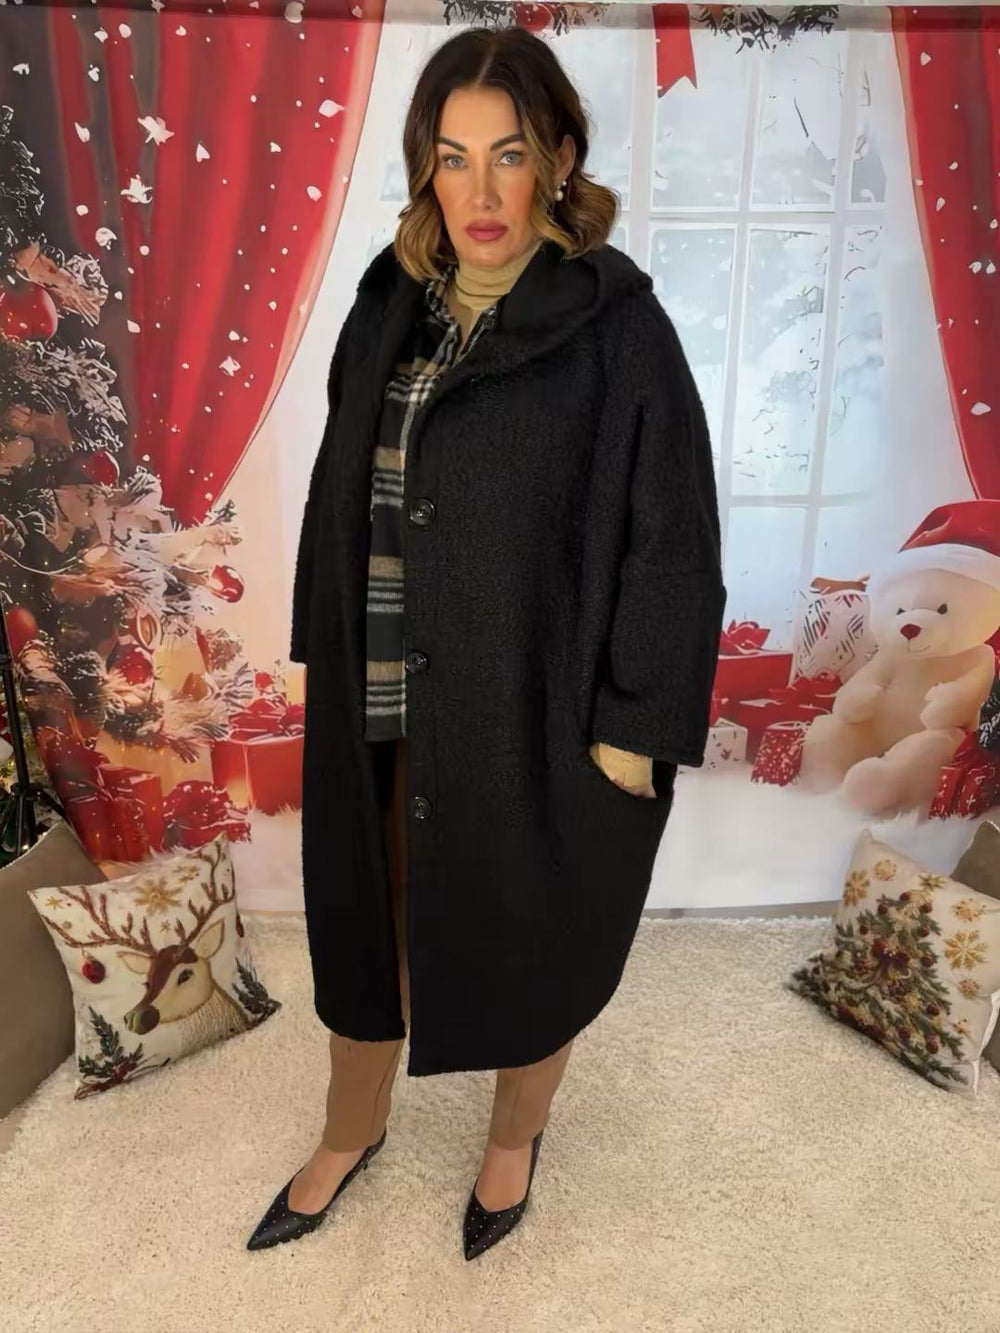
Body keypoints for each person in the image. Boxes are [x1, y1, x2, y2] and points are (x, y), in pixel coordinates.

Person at [247, 25, 726, 1260]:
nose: (479, 191)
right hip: (380, 694)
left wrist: (633, 729)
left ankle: (514, 1137)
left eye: (507, 155)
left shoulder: (619, 330)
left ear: (557, 159)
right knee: (366, 932)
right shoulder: (387, 300)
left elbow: (673, 544)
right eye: (452, 158)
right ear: (425, 167)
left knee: (534, 936)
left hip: (529, 712)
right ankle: (351, 1128)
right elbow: (339, 486)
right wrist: (320, 648)